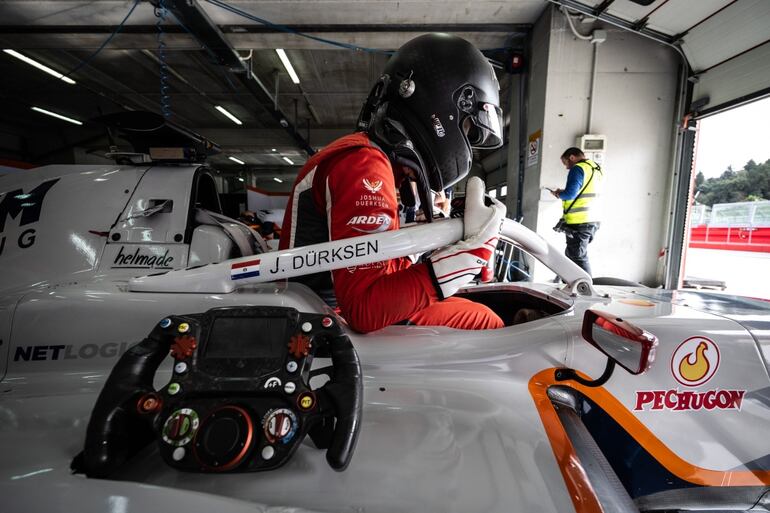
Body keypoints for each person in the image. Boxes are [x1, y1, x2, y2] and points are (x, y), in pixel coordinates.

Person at [280, 33, 506, 333]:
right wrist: (471, 254)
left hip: (324, 308)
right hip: (326, 320)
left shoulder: (378, 160)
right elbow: (364, 309)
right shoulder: (363, 163)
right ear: (443, 108)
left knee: (477, 309)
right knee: (485, 322)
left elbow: (376, 258)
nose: (466, 141)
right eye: (466, 125)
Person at [550, 147, 603, 276]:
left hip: (580, 222)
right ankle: (570, 283)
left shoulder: (578, 168)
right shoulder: (596, 168)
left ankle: (586, 289)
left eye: (566, 163)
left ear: (572, 157)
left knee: (578, 256)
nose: (567, 167)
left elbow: (570, 194)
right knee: (572, 254)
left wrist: (558, 193)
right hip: (592, 219)